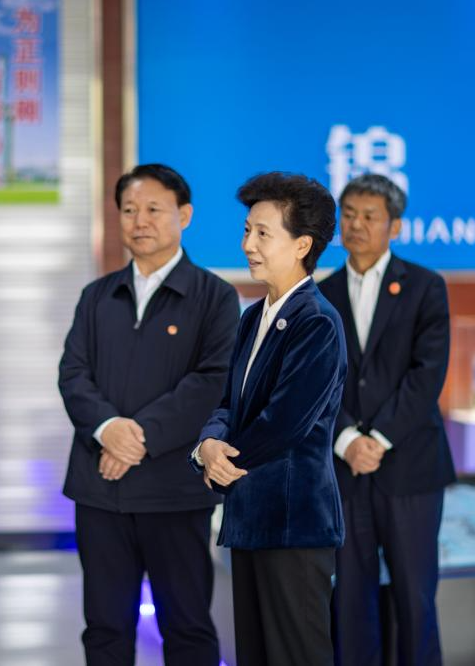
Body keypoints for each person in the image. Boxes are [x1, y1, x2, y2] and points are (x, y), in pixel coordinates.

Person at [59, 163, 238, 665]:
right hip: (100, 490)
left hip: (174, 491)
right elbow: (73, 374)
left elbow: (211, 380)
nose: (140, 221)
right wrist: (108, 430)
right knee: (104, 629)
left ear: (185, 215)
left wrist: (136, 437)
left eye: (154, 209)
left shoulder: (214, 297)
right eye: (129, 210)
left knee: (187, 625)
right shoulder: (97, 296)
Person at [193, 172, 345, 666]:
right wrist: (207, 446)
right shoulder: (252, 317)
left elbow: (284, 423)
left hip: (293, 524)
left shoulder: (316, 321)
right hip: (251, 517)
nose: (248, 245)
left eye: (263, 233)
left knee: (297, 655)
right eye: (247, 231)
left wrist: (223, 461)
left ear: (302, 244)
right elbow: (228, 403)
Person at [318, 174, 453, 666]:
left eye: (369, 216)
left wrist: (377, 438)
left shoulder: (425, 287)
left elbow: (427, 374)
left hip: (409, 466)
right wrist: (347, 439)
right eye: (349, 215)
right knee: (349, 600)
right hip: (343, 471)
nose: (355, 225)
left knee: (415, 598)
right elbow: (315, 381)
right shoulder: (320, 294)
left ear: (394, 225)